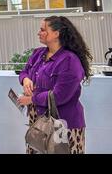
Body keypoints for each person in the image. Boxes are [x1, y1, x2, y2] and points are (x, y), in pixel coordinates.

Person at [17, 16, 92, 154]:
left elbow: (59, 96)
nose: (39, 32)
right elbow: (24, 71)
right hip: (38, 122)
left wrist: (31, 99)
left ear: (56, 34)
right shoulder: (38, 53)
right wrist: (25, 79)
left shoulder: (70, 61)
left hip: (63, 124)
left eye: (43, 30)